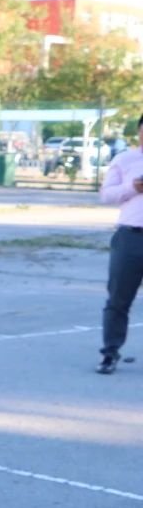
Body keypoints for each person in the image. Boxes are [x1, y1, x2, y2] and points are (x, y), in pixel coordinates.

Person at [96, 113, 143, 374]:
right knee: (118, 299)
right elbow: (106, 195)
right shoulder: (125, 160)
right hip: (131, 237)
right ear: (139, 131)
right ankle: (110, 352)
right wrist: (133, 188)